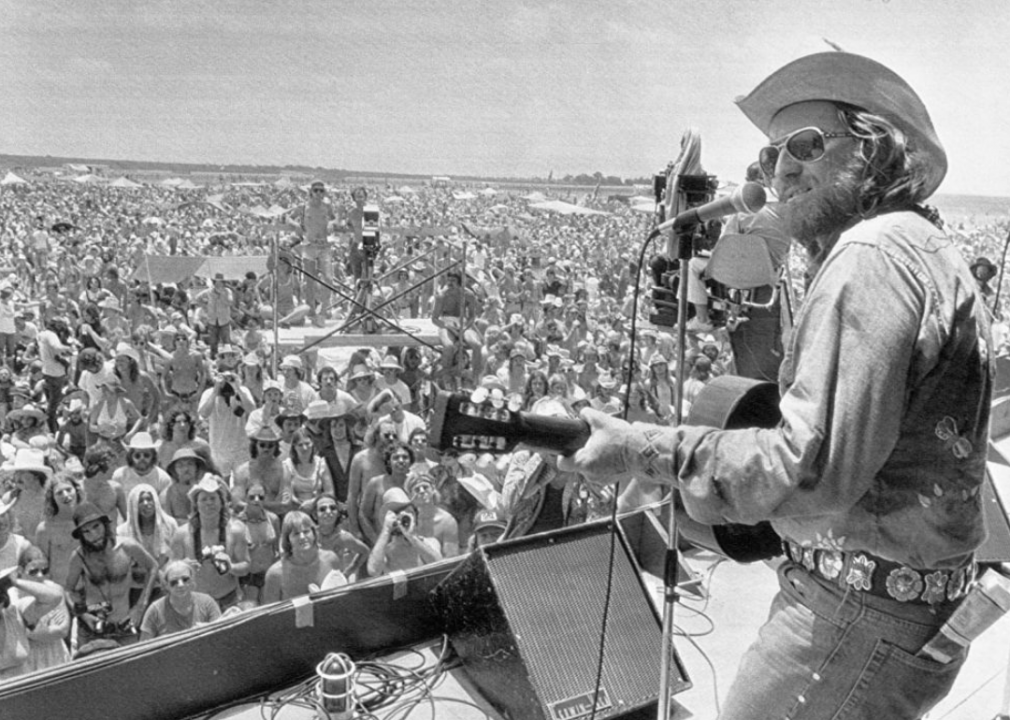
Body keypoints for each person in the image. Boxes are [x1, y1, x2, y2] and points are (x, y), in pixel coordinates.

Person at [559, 52, 992, 720]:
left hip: (855, 618)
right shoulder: (921, 246)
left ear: (875, 149)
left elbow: (808, 467)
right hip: (904, 610)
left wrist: (641, 450)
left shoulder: (871, 256)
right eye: (769, 156)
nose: (780, 169)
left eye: (806, 146)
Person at [65, 502, 158, 655]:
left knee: (132, 670)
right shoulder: (79, 557)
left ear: (104, 524)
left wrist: (140, 607)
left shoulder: (127, 547)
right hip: (93, 629)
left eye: (96, 527)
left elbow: (152, 567)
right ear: (81, 535)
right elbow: (68, 590)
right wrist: (83, 615)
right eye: (86, 532)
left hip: (125, 625)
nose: (94, 535)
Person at [169, 475, 250, 611]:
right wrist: (183, 567)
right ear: (196, 504)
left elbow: (246, 566)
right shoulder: (181, 534)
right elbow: (170, 569)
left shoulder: (236, 530)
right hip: (195, 603)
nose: (209, 503)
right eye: (204, 499)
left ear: (221, 502)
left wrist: (231, 567)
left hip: (228, 600)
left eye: (213, 498)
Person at [261, 511, 347, 604]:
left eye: (306, 531)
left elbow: (341, 598)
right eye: (296, 534)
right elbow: (271, 614)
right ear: (287, 539)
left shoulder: (331, 559)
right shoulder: (275, 574)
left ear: (314, 533)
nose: (302, 537)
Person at [139, 559, 222, 641]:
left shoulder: (207, 603)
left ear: (192, 580)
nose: (180, 585)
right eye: (174, 582)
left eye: (185, 579)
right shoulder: (155, 611)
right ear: (167, 585)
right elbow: (143, 647)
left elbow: (221, 635)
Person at [366, 492, 442, 577]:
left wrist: (412, 537)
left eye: (410, 513)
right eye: (398, 514)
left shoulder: (430, 542)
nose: (404, 518)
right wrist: (386, 530)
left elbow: (439, 565)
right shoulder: (386, 552)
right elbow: (373, 571)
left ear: (416, 518)